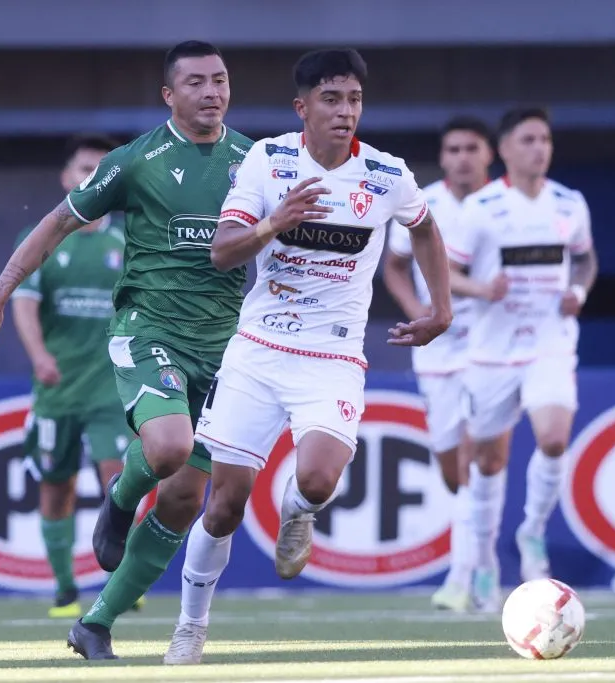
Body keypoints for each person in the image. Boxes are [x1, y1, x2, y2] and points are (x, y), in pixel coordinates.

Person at [159, 48, 453, 665]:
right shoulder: (269, 160)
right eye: (331, 99)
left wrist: (441, 308)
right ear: (303, 108)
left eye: (354, 100)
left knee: (317, 478)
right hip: (258, 353)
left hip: (333, 358)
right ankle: (190, 627)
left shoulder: (386, 174)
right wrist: (276, 223)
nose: (345, 111)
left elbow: (423, 227)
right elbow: (221, 252)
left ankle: (299, 511)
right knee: (224, 506)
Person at [0, 40, 253, 660]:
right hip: (149, 331)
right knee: (170, 447)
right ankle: (122, 495)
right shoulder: (137, 159)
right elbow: (55, 223)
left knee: (180, 500)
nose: (212, 92)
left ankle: (95, 623)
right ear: (169, 95)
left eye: (221, 80)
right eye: (197, 82)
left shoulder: (253, 161)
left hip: (229, 349)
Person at [446, 107, 598, 612]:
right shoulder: (482, 207)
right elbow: (448, 273)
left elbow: (585, 257)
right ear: (506, 149)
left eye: (546, 139)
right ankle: (486, 560)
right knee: (488, 462)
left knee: (554, 437)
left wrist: (578, 289)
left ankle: (532, 531)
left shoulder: (569, 203)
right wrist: (482, 289)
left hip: (551, 342)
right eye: (529, 139)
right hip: (491, 351)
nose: (540, 148)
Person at [10, 133, 145, 618]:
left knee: (118, 479)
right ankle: (65, 589)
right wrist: (40, 355)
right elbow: (24, 304)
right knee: (56, 485)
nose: (91, 178)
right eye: (83, 170)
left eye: (99, 170)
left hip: (113, 385)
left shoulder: (128, 239)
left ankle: (121, 581)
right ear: (66, 178)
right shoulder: (43, 237)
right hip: (58, 387)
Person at [382, 116, 495, 612]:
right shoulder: (422, 202)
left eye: (472, 147)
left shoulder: (505, 206)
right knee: (452, 465)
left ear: (488, 154)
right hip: (440, 350)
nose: (463, 157)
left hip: (494, 348)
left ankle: (463, 574)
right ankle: (478, 555)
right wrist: (418, 314)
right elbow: (394, 265)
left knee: (476, 459)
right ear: (443, 156)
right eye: (453, 149)